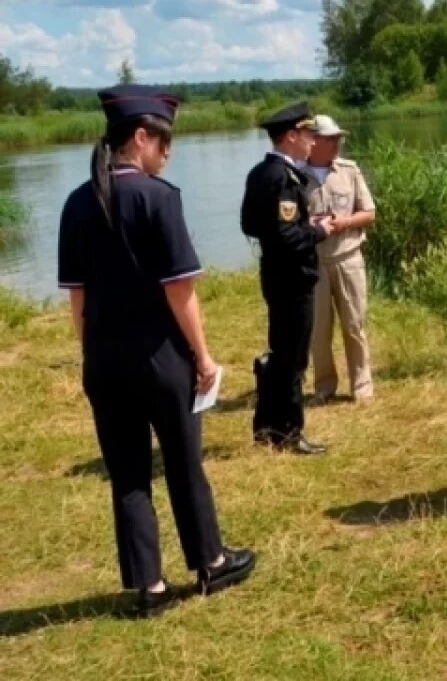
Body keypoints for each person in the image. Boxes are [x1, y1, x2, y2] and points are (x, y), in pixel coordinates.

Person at [57, 85, 255, 618]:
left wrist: (92, 354)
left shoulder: (78, 201)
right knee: (185, 464)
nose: (167, 154)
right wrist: (205, 357)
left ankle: (149, 588)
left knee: (127, 475)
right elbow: (179, 291)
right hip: (161, 359)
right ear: (140, 138)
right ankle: (210, 562)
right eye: (163, 144)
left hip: (103, 361)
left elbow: (77, 299)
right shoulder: (159, 197)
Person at [240, 101, 337, 455]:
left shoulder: (259, 173)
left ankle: (266, 426)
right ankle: (290, 433)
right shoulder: (283, 177)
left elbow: (252, 225)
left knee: (281, 353)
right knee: (294, 359)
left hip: (276, 275)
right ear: (291, 136)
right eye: (308, 134)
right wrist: (317, 231)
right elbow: (287, 237)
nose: (313, 141)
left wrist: (296, 227)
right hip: (294, 277)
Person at [305, 114, 376, 404]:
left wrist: (343, 222)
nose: (337, 143)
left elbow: (369, 212)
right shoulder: (296, 174)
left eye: (338, 138)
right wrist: (310, 224)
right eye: (330, 138)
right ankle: (324, 386)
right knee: (318, 329)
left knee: (355, 324)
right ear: (314, 141)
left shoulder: (349, 170)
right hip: (314, 262)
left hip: (348, 258)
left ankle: (362, 386)